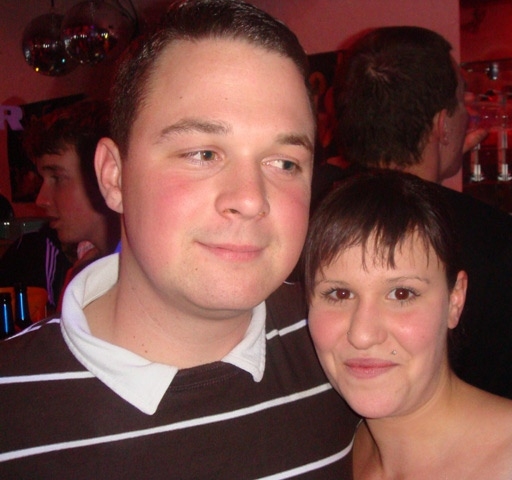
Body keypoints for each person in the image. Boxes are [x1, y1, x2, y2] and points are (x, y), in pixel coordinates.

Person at [0, 1, 358, 478]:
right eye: (203, 153)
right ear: (114, 176)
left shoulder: (350, 349)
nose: (251, 199)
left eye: (284, 162)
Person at [304, 170, 512, 480]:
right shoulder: (323, 454)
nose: (363, 334)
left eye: (401, 293)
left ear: (455, 300)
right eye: (339, 294)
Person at [325, 26, 512, 405]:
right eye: (460, 105)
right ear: (443, 123)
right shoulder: (494, 238)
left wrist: (439, 157)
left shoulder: (311, 210)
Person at [0, 99, 119, 311]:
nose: (41, 200)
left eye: (57, 177)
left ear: (106, 174)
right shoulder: (85, 269)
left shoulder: (141, 277)